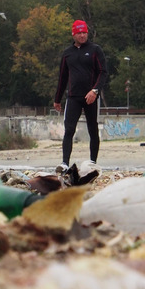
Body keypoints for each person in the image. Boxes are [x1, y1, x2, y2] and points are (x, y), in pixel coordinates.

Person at [53, 19, 108, 173]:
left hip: (91, 96)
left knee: (92, 129)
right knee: (69, 129)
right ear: (73, 34)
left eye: (84, 32)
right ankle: (64, 163)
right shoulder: (67, 54)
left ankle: (93, 162)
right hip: (73, 97)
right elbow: (62, 77)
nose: (82, 35)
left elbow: (103, 72)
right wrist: (57, 99)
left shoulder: (95, 50)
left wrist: (95, 90)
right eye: (79, 33)